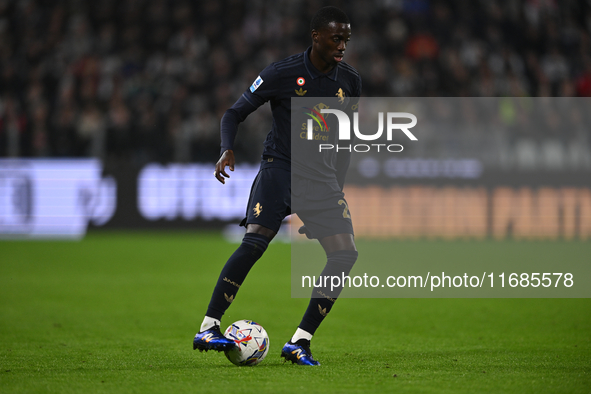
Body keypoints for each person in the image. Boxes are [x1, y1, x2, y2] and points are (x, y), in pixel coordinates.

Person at [193, 6, 361, 366]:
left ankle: (300, 341)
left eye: (346, 38)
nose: (342, 45)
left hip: (321, 181)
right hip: (280, 169)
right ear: (316, 36)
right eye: (336, 38)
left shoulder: (351, 82)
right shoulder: (282, 73)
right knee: (256, 241)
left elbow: (344, 143)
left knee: (345, 254)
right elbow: (232, 113)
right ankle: (209, 326)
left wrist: (338, 192)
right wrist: (226, 148)